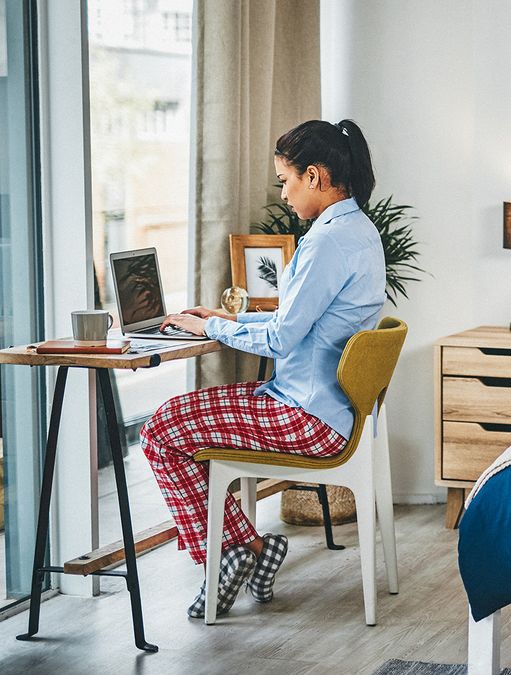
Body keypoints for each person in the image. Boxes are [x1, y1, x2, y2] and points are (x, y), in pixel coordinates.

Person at [141, 119, 386, 618]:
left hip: (306, 418)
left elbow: (282, 338)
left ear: (314, 176)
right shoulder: (359, 231)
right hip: (329, 411)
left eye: (285, 180)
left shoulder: (327, 243)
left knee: (161, 430)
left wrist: (209, 330)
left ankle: (232, 552)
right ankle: (250, 549)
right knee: (174, 423)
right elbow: (299, 320)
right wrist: (228, 318)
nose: (284, 194)